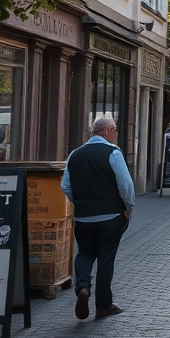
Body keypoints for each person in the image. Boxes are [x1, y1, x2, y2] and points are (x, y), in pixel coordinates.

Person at [61, 115, 135, 320]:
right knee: (105, 258)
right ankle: (103, 305)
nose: (115, 134)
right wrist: (128, 206)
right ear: (107, 130)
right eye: (115, 130)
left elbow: (65, 185)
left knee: (84, 253)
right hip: (110, 216)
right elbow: (125, 185)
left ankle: (82, 286)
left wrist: (81, 203)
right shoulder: (113, 152)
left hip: (84, 217)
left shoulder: (75, 155)